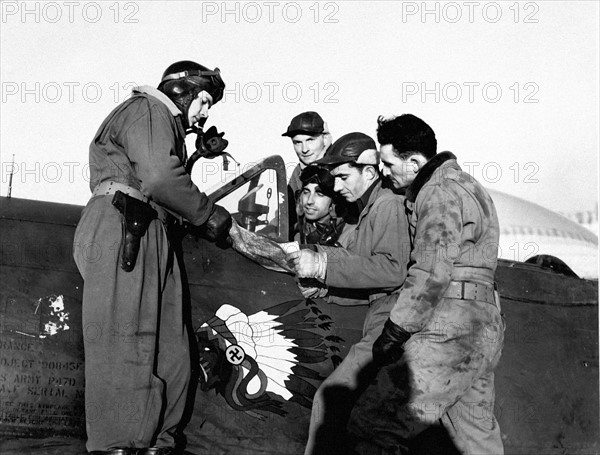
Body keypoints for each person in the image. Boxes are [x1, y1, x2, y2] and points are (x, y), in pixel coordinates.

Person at [73, 61, 232, 455]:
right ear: (182, 89)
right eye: (205, 100)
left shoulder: (161, 121)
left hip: (152, 227)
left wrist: (191, 158)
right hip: (126, 225)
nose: (206, 112)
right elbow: (159, 178)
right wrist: (208, 213)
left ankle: (159, 443)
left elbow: (159, 176)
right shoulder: (148, 109)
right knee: (125, 345)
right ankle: (118, 445)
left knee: (171, 352)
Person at [348, 114, 504, 455]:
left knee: (376, 422)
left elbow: (433, 269)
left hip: (450, 327)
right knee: (474, 438)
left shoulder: (437, 192)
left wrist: (396, 329)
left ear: (415, 162)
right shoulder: (470, 185)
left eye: (389, 164)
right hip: (484, 324)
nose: (385, 173)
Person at [286, 132, 411, 455]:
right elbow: (366, 279)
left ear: (369, 172)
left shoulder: (387, 206)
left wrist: (324, 266)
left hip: (392, 320)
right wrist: (325, 290)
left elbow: (391, 271)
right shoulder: (369, 211)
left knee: (331, 401)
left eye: (343, 177)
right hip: (383, 315)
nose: (337, 187)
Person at [282, 111, 333, 238]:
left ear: (325, 138)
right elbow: (286, 214)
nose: (304, 149)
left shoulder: (339, 170)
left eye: (310, 140)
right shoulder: (299, 171)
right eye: (297, 142)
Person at [295, 164, 346, 246]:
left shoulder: (346, 233)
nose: (309, 201)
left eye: (320, 194)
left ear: (333, 201)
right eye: (306, 192)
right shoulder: (295, 231)